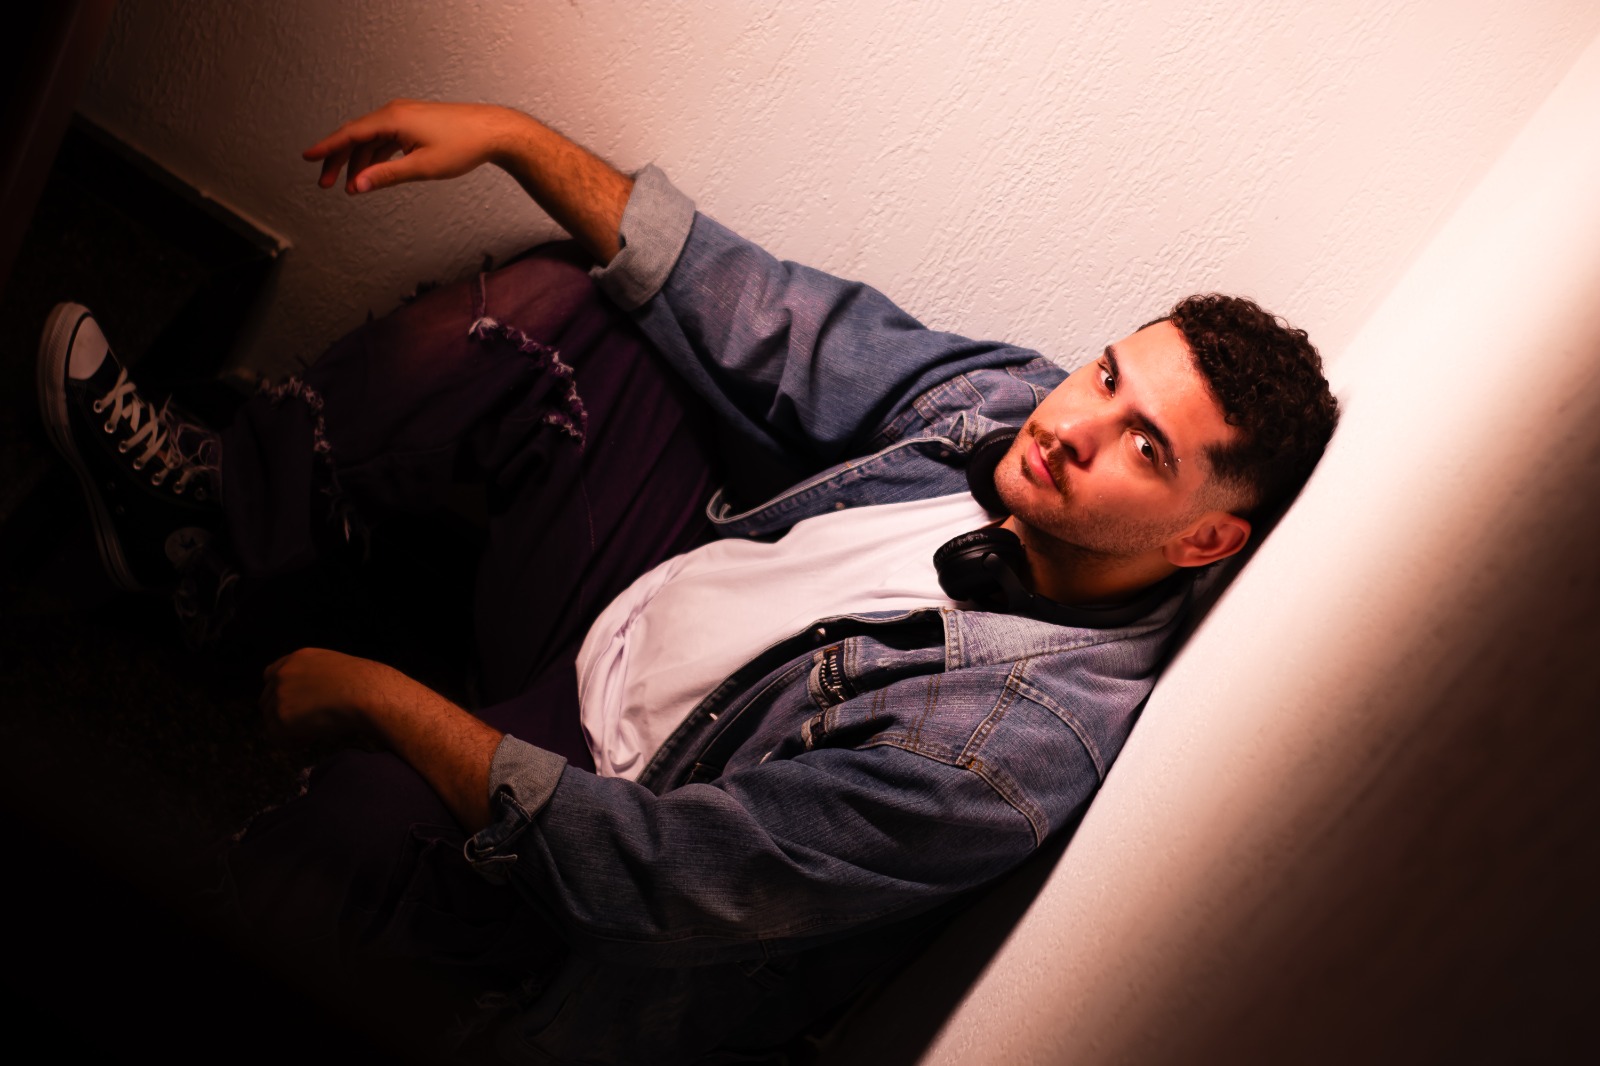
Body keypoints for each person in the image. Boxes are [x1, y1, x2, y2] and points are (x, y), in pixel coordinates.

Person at [36, 100, 1338, 1063]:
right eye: (1108, 373)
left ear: (1203, 542)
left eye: (1146, 448)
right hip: (636, 601)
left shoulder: (1000, 754)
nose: (1077, 423)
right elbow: (783, 323)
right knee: (563, 307)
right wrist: (511, 137)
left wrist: (383, 699)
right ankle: (206, 535)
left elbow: (653, 876)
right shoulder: (1016, 412)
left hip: (611, 798)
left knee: (357, 825)